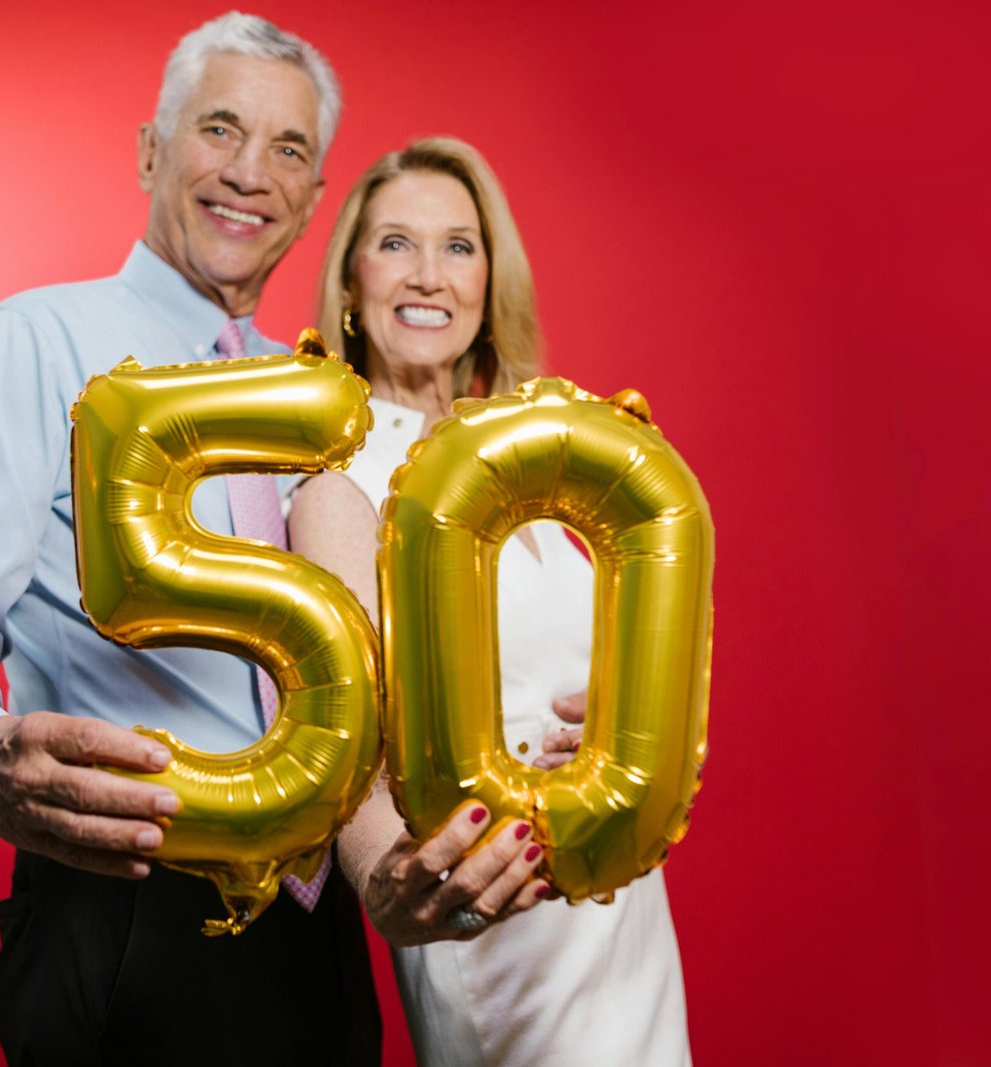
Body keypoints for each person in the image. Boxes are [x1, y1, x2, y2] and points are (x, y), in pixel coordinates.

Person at [0, 16, 541, 1064]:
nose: (249, 173)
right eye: (219, 129)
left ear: (314, 200)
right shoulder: (38, 341)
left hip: (316, 925)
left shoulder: (330, 406)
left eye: (288, 151)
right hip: (130, 899)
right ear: (151, 149)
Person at [291, 137, 692, 1066]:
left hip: (619, 920)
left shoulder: (542, 466)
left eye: (459, 246)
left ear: (489, 282)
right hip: (492, 916)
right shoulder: (340, 485)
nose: (428, 274)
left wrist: (634, 719)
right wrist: (391, 880)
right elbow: (353, 735)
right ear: (350, 284)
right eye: (394, 244)